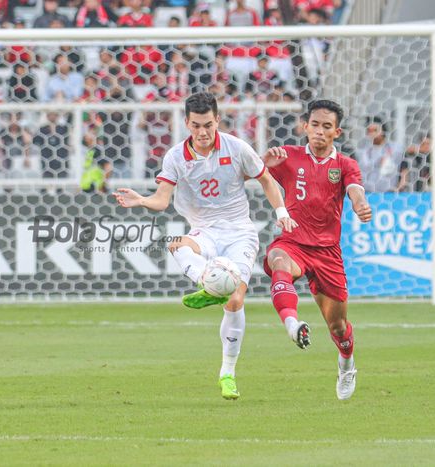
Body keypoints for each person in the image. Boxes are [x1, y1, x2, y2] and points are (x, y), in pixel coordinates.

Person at [113, 92, 297, 400]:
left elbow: (266, 180)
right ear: (186, 123)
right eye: (196, 125)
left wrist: (282, 213)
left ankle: (227, 372)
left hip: (239, 232)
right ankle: (208, 283)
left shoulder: (237, 148)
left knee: (236, 300)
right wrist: (142, 200)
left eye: (208, 125)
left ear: (218, 121)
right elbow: (162, 200)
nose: (203, 132)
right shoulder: (175, 157)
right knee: (175, 243)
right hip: (204, 231)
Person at [261, 99, 372, 400]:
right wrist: (264, 163)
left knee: (338, 327)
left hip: (327, 253)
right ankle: (292, 325)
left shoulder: (345, 165)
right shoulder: (289, 157)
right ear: (305, 126)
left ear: (337, 132)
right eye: (315, 125)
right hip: (294, 242)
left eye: (327, 127)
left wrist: (360, 204)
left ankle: (347, 364)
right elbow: (256, 173)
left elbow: (355, 189)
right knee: (277, 259)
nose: (319, 131)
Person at [356, 118, 405, 192]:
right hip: (368, 193)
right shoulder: (363, 151)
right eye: (369, 131)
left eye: (375, 130)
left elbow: (404, 167)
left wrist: (400, 187)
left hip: (389, 193)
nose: (372, 134)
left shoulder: (396, 148)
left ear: (383, 131)